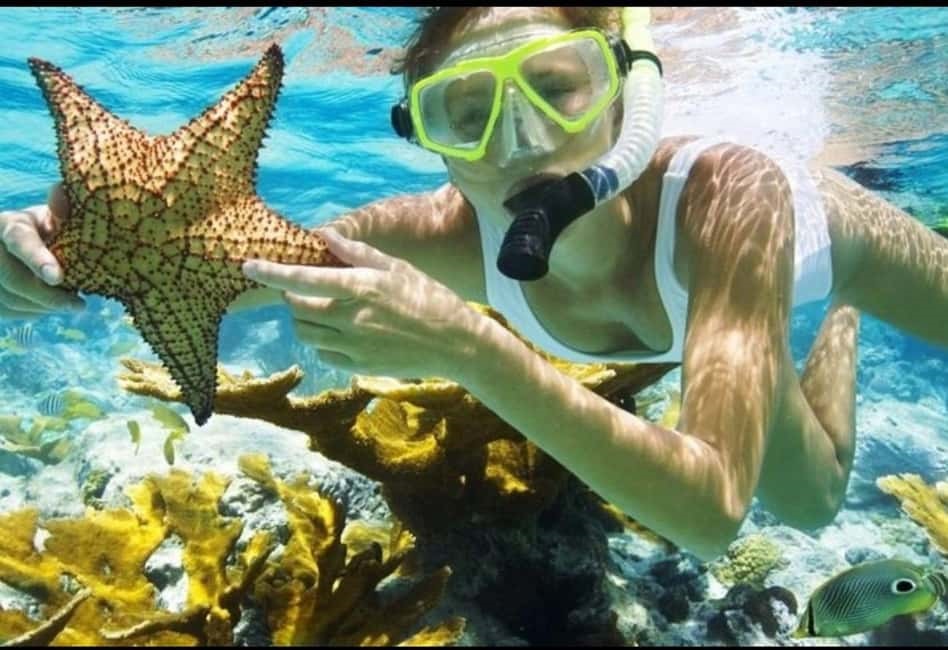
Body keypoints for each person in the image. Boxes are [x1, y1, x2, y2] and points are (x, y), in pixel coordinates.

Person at [1, 7, 945, 560]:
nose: (522, 141)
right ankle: (827, 334)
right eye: (466, 110)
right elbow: (191, 263)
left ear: (623, 91)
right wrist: (43, 258)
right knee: (812, 504)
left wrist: (468, 346)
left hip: (824, 242)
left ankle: (843, 302)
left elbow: (708, 516)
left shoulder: (730, 194)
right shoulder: (436, 237)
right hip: (720, 315)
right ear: (430, 142)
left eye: (557, 86)